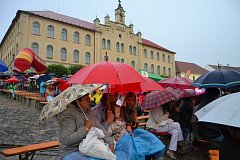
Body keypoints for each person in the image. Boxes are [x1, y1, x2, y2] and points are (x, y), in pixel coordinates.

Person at [57, 93, 114, 160]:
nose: (89, 101)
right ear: (78, 101)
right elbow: (66, 139)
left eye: (89, 99)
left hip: (89, 146)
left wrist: (110, 142)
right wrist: (86, 129)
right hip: (71, 150)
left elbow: (99, 127)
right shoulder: (68, 115)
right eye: (87, 99)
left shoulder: (89, 112)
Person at [121, 92, 166, 160]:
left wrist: (135, 121)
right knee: (138, 143)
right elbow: (120, 123)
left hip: (134, 130)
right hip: (124, 132)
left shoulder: (134, 110)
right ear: (126, 100)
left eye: (132, 100)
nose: (130, 102)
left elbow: (134, 126)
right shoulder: (122, 109)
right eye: (129, 100)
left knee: (149, 137)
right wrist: (128, 125)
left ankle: (156, 156)